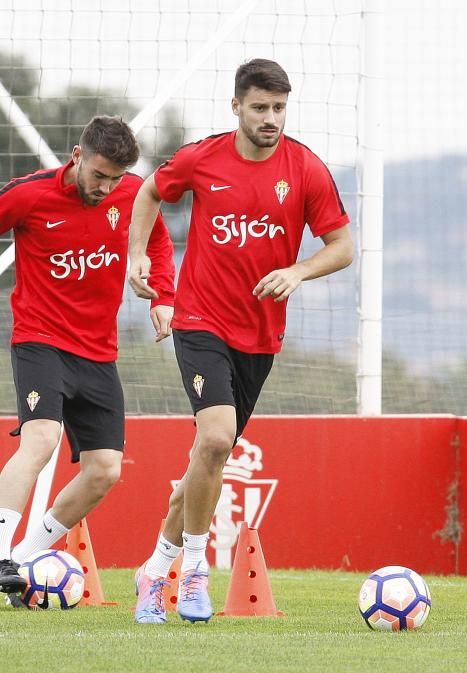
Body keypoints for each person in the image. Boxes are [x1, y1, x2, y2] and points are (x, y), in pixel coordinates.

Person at [128, 58, 353, 625]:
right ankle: (197, 572)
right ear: (236, 107)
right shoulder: (204, 157)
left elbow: (343, 246)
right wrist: (138, 258)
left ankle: (155, 569)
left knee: (209, 455)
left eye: (279, 108)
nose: (271, 118)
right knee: (217, 436)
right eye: (260, 108)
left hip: (261, 336)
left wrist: (299, 271)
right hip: (200, 321)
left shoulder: (305, 169)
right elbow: (150, 190)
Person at [0, 115, 175, 602]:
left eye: (116, 178)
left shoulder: (134, 195)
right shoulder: (30, 194)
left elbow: (157, 238)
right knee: (41, 439)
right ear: (77, 156)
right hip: (40, 340)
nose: (106, 187)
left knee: (105, 470)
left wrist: (163, 295)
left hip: (98, 352)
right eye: (99, 175)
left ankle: (28, 561)